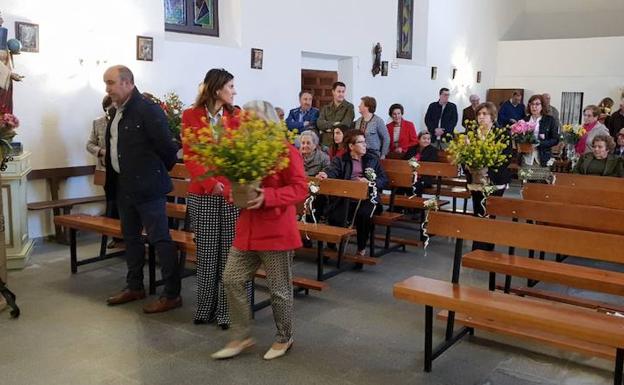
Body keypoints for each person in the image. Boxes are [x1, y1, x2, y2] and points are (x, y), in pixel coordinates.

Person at [212, 100, 308, 361]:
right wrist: (234, 193)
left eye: (253, 120)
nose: (247, 125)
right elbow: (232, 183)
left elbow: (300, 188)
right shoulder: (244, 152)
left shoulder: (286, 151)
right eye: (246, 120)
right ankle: (241, 336)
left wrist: (268, 195)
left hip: (276, 230)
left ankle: (284, 337)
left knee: (278, 289)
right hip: (248, 230)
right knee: (231, 278)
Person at [102, 65, 180, 313]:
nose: (108, 88)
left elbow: (167, 148)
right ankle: (134, 286)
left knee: (160, 239)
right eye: (106, 83)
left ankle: (171, 294)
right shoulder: (116, 112)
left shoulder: (147, 109)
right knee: (131, 238)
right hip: (123, 186)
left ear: (127, 82)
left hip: (148, 188)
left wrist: (154, 174)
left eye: (111, 83)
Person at [182, 68, 241, 328]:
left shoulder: (237, 116)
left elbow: (242, 156)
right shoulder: (191, 115)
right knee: (206, 253)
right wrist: (209, 183)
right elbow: (191, 155)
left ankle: (226, 312)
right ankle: (205, 307)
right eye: (230, 86)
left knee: (229, 254)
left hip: (230, 195)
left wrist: (225, 185)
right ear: (217, 89)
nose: (234, 91)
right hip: (203, 194)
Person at [317, 130, 388, 256]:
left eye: (364, 142)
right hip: (347, 196)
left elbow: (384, 179)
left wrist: (371, 182)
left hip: (368, 198)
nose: (365, 144)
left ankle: (361, 247)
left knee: (364, 215)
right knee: (335, 213)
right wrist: (325, 174)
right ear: (351, 146)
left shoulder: (372, 159)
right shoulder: (341, 160)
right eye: (361, 142)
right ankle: (332, 245)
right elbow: (332, 171)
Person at [466, 102, 512, 251]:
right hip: (476, 179)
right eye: (479, 114)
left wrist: (488, 171)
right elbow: (464, 154)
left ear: (492, 116)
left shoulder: (502, 133)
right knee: (478, 211)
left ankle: (487, 247)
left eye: (484, 114)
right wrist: (470, 167)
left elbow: (507, 156)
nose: (481, 117)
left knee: (489, 212)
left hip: (495, 178)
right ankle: (477, 248)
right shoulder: (472, 132)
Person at [522, 94, 559, 166]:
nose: (534, 107)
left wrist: (540, 144)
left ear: (542, 106)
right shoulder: (524, 120)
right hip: (526, 157)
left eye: (537, 104)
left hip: (543, 157)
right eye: (531, 104)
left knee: (540, 176)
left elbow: (555, 139)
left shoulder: (549, 120)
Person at [317, 81, 355, 147]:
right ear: (333, 92)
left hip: (341, 144)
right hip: (326, 143)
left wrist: (327, 128)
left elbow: (345, 125)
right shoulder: (326, 107)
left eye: (343, 92)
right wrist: (335, 123)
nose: (341, 94)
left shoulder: (349, 107)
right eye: (339, 91)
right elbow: (319, 123)